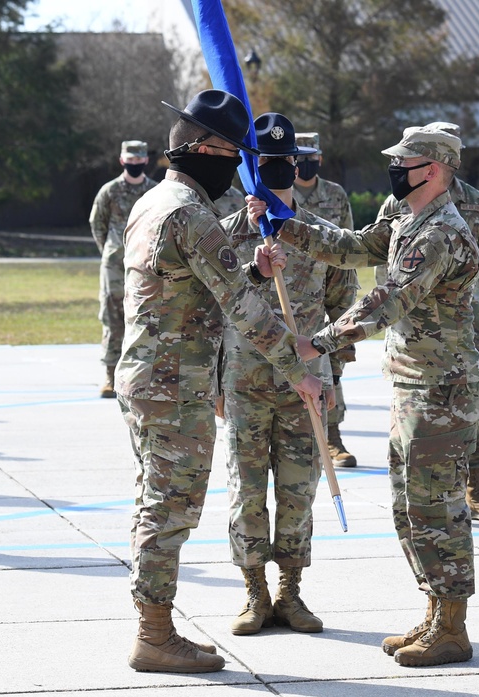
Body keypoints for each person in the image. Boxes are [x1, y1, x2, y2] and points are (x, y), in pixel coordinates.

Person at [248, 125, 479, 667]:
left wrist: (320, 342)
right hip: (413, 383)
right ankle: (434, 612)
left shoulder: (438, 232)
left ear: (435, 169)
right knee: (409, 507)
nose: (395, 169)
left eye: (405, 162)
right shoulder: (404, 216)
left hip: (441, 389)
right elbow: (354, 248)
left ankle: (452, 627)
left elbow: (387, 299)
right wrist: (288, 226)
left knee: (437, 508)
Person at [116, 90, 322, 674]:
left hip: (149, 377)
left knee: (154, 501)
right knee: (170, 509)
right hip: (175, 385)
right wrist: (300, 371)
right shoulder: (188, 213)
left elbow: (197, 272)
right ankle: (154, 634)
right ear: (205, 149)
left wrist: (251, 263)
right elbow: (246, 312)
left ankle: (154, 624)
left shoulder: (157, 201)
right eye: (233, 155)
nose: (236, 167)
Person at [219, 113, 340, 636]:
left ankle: (290, 593)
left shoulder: (319, 234)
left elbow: (341, 303)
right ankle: (254, 593)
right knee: (246, 489)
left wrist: (327, 370)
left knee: (298, 489)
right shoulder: (228, 233)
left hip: (305, 383)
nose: (275, 171)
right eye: (264, 164)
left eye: (282, 162)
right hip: (246, 379)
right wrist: (252, 260)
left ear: (296, 164)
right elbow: (213, 300)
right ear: (253, 166)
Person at [376, 122, 479, 524]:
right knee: (421, 418)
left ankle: (476, 489)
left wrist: (453, 300)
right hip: (414, 325)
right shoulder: (399, 201)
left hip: (462, 320)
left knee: (470, 407)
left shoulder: (476, 204)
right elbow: (384, 253)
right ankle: (441, 494)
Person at [294, 131, 361, 468]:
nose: (306, 163)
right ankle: (304, 436)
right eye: (300, 157)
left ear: (319, 159)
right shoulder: (279, 193)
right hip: (292, 287)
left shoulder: (335, 194)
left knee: (332, 362)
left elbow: (348, 243)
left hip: (329, 285)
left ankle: (333, 438)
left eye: (311, 157)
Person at [89, 140, 157, 398]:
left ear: (145, 161)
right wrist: (111, 250)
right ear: (122, 161)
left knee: (143, 319)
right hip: (116, 266)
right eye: (131, 161)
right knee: (112, 318)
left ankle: (139, 377)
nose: (135, 165)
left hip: (146, 264)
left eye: (139, 161)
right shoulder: (110, 191)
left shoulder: (153, 191)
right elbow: (98, 225)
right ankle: (109, 376)